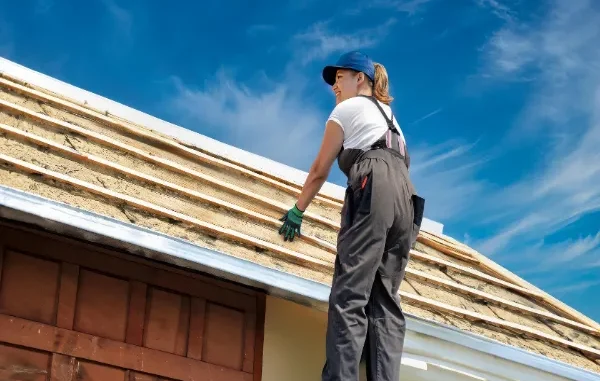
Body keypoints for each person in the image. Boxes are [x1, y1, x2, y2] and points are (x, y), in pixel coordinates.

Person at [278, 50, 425, 381]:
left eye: (339, 77)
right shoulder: (390, 118)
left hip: (376, 185)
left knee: (349, 294)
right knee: (385, 301)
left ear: (361, 79)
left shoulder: (346, 110)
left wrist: (297, 210)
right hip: (406, 198)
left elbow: (319, 169)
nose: (334, 86)